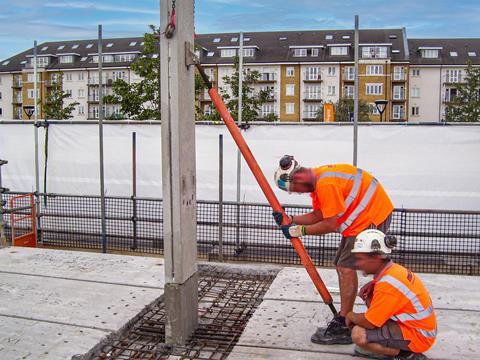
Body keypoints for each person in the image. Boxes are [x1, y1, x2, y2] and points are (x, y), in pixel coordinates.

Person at [272, 155, 394, 344]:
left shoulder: (325, 184)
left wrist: (298, 231)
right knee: (340, 265)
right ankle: (345, 318)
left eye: (294, 190)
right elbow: (320, 214)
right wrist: (292, 220)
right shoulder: (320, 181)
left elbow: (329, 224)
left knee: (346, 268)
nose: (297, 194)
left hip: (371, 216)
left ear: (298, 179)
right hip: (362, 216)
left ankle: (344, 323)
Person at [346, 229, 437, 360]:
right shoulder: (394, 271)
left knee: (358, 334)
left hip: (419, 337)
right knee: (370, 298)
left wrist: (350, 315)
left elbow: (370, 323)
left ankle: (406, 354)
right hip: (419, 329)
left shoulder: (388, 285)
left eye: (361, 259)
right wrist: (373, 284)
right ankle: (395, 347)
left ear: (376, 258)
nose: (357, 264)